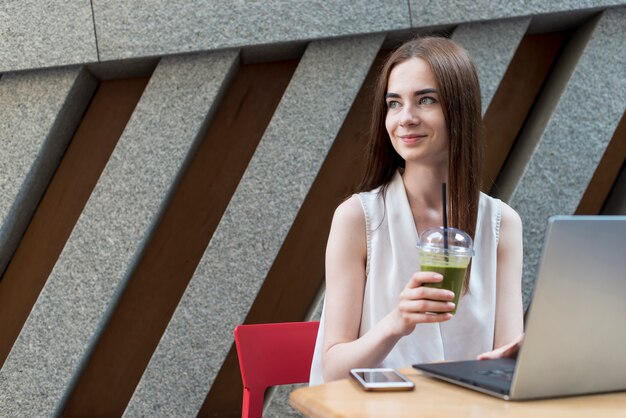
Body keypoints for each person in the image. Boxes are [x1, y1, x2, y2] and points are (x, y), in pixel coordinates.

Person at [309, 36, 524, 385]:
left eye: (425, 100)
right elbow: (331, 370)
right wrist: (396, 323)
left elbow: (503, 359)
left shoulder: (502, 224)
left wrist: (524, 354)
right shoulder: (357, 218)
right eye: (394, 104)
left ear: (461, 109)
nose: (405, 118)